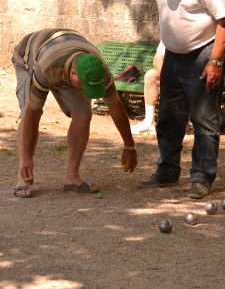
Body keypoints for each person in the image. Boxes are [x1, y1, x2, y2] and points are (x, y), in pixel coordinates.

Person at [139, 0, 225, 199]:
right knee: (169, 117)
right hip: (172, 52)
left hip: (203, 53)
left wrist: (215, 62)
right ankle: (167, 172)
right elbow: (167, 7)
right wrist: (164, 46)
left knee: (204, 119)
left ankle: (202, 178)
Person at [12, 28, 137, 198]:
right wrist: (27, 158)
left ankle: (71, 177)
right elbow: (33, 115)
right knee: (28, 110)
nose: (88, 92)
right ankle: (23, 176)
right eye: (85, 85)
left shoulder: (98, 70)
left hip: (65, 56)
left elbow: (115, 107)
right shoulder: (46, 68)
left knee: (84, 114)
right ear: (72, 73)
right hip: (29, 58)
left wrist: (129, 146)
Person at [131, 41, 165, 135]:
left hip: (194, 75)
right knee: (151, 76)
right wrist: (170, 80)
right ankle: (149, 122)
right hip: (173, 76)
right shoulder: (170, 33)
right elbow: (157, 61)